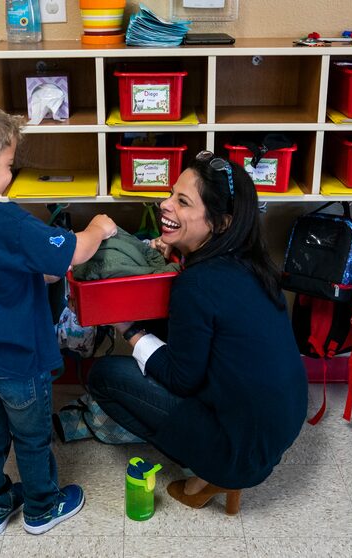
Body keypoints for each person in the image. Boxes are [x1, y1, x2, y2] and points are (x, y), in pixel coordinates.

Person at [0, 96, 117, 536]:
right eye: (9, 165)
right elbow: (73, 251)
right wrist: (98, 228)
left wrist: (39, 275)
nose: (11, 176)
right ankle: (42, 508)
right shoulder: (5, 221)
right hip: (21, 364)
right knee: (31, 438)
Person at [88, 152, 308, 514]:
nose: (165, 204)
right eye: (172, 193)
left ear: (221, 223)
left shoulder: (198, 283)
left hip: (238, 451)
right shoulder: (252, 263)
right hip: (276, 429)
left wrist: (128, 329)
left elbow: (180, 378)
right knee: (165, 340)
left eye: (182, 201)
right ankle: (215, 457)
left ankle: (210, 470)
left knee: (105, 376)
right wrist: (176, 248)